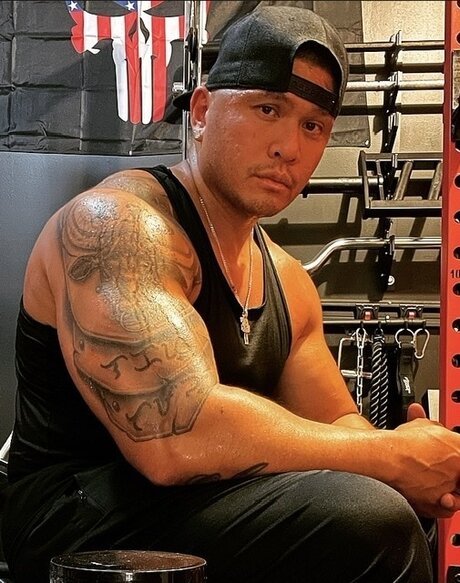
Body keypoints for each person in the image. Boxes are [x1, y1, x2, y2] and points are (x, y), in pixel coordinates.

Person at [1, 5, 458, 583]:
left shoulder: (288, 281)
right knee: (369, 519)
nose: (288, 147)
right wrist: (388, 459)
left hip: (189, 506)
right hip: (76, 514)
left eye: (313, 127)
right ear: (201, 111)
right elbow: (175, 436)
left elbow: (338, 421)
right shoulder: (119, 225)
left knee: (391, 507)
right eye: (268, 109)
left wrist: (414, 462)